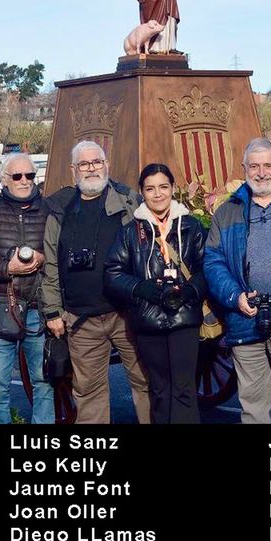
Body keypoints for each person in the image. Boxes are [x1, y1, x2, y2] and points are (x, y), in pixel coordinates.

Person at [204, 137, 271, 424]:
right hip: (245, 318)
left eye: (267, 165)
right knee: (253, 405)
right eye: (254, 166)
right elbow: (213, 261)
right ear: (244, 169)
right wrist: (234, 296)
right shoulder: (227, 212)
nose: (261, 173)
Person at [42, 140, 150, 424]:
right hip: (81, 319)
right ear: (73, 170)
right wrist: (52, 311)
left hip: (125, 313)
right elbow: (50, 265)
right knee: (88, 393)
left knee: (146, 382)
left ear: (106, 165)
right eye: (84, 164)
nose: (91, 169)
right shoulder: (60, 210)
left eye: (97, 162)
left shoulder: (129, 202)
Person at [105, 164, 206, 423]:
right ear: (142, 192)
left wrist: (190, 290)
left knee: (184, 389)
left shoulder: (192, 226)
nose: (158, 194)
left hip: (184, 317)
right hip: (149, 319)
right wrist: (140, 288)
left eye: (163, 187)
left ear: (172, 189)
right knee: (160, 390)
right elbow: (112, 273)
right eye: (150, 189)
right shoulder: (130, 232)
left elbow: (208, 268)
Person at [0, 153, 53, 424]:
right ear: (4, 179)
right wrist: (8, 268)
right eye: (17, 176)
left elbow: (61, 251)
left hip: (39, 307)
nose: (24, 181)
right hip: (1, 306)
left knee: (44, 381)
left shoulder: (49, 209)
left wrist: (42, 258)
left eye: (30, 175)